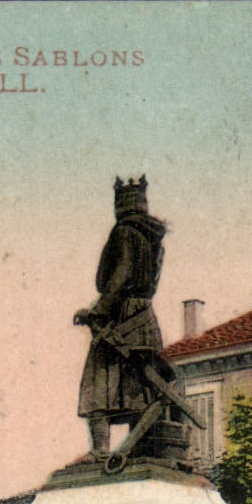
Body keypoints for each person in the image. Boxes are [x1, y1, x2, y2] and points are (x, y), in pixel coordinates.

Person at [73, 176, 174, 458]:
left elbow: (121, 274)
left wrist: (98, 310)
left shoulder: (124, 232)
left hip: (121, 317)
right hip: (144, 318)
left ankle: (101, 451)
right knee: (138, 385)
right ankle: (140, 448)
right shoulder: (153, 238)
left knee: (99, 383)